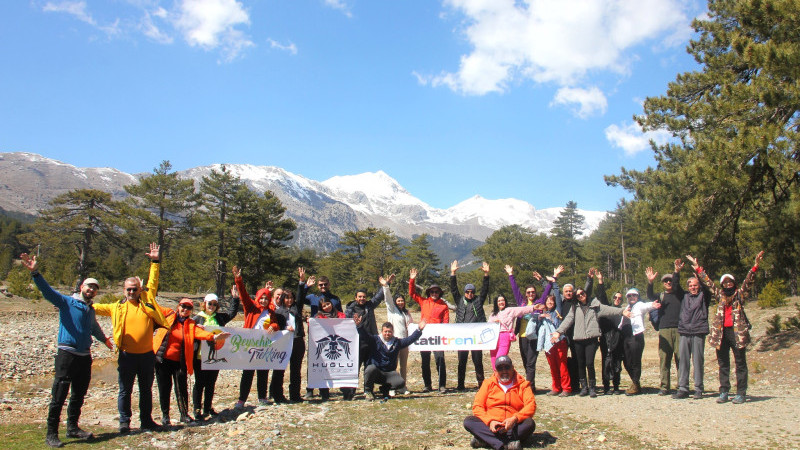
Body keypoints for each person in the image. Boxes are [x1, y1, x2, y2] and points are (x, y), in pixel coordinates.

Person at [20, 253, 112, 447]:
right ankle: (51, 434)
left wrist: (104, 339)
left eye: (95, 288)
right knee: (59, 394)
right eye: (89, 286)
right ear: (82, 287)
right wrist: (35, 272)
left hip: (85, 356)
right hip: (67, 354)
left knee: (78, 394)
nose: (92, 290)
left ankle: (72, 428)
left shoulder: (90, 309)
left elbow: (93, 327)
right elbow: (47, 292)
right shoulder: (66, 302)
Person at [93, 243, 168, 434]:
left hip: (146, 356)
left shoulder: (146, 301)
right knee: (125, 390)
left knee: (146, 390)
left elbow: (154, 280)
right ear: (124, 290)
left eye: (135, 289)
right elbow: (92, 307)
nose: (132, 292)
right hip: (126, 356)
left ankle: (146, 421)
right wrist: (74, 302)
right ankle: (124, 422)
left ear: (139, 288)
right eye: (129, 290)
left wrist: (155, 261)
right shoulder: (116, 307)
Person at [694, 251, 764, 404]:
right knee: (723, 363)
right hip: (721, 334)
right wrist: (698, 269)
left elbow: (748, 282)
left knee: (740, 363)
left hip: (737, 333)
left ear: (734, 283)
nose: (727, 284)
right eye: (724, 282)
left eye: (729, 282)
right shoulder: (719, 295)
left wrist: (755, 266)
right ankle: (724, 391)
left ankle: (741, 393)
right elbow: (708, 283)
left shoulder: (739, 295)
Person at [153, 299, 230, 426]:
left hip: (180, 362)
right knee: (164, 388)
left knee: (182, 389)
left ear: (191, 311)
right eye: (183, 306)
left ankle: (184, 414)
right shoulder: (168, 315)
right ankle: (165, 415)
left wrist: (214, 337)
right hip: (163, 360)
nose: (185, 309)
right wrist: (146, 290)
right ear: (178, 306)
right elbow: (154, 305)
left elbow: (200, 333)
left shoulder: (191, 324)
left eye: (189, 308)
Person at [551, 283, 629, 398]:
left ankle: (592, 388)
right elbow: (568, 320)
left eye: (582, 293)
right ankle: (584, 387)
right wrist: (559, 331)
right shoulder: (574, 307)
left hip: (591, 340)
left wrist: (622, 311)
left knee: (589, 363)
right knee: (581, 364)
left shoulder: (595, 306)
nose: (580, 296)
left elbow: (609, 309)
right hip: (578, 339)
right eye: (577, 295)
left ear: (586, 294)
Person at [463, 355, 536, 450]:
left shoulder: (523, 384)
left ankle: (485, 440)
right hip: (492, 426)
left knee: (529, 423)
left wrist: (515, 418)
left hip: (512, 426)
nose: (504, 371)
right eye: (500, 368)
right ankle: (506, 445)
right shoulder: (488, 383)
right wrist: (490, 421)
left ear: (512, 368)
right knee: (469, 421)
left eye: (507, 367)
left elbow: (531, 405)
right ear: (495, 371)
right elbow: (477, 406)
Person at [505, 264, 560, 390]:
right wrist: (510, 275)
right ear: (526, 294)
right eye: (528, 292)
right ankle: (531, 385)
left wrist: (554, 277)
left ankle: (529, 387)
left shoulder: (539, 303)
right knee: (525, 362)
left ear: (536, 293)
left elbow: (547, 289)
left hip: (534, 337)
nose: (531, 294)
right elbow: (515, 289)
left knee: (531, 362)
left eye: (533, 292)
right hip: (523, 336)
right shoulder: (522, 303)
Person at [233, 265, 279, 407]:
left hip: (264, 346)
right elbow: (243, 294)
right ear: (258, 298)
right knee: (247, 373)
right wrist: (238, 279)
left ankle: (262, 397)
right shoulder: (251, 308)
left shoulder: (270, 312)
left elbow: (276, 324)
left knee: (263, 373)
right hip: (249, 345)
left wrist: (274, 326)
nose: (264, 301)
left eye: (266, 298)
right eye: (262, 298)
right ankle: (242, 399)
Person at [192, 289, 239, 419]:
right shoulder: (197, 319)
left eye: (214, 304)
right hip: (200, 357)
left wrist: (235, 299)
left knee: (211, 383)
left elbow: (231, 313)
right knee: (199, 383)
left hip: (215, 356)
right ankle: (197, 409)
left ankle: (207, 407)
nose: (211, 306)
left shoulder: (219, 317)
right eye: (209, 304)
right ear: (204, 303)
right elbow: (188, 332)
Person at [357, 317, 426, 400]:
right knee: (370, 368)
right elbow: (365, 336)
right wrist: (359, 326)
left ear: (392, 332)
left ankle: (385, 389)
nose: (387, 333)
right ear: (382, 332)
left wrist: (419, 330)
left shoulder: (397, 342)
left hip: (389, 373)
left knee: (400, 382)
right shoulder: (375, 340)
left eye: (389, 332)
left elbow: (410, 340)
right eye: (385, 331)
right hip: (377, 373)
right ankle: (368, 391)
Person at [672, 260, 712, 400]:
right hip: (684, 332)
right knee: (683, 361)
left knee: (698, 361)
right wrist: (676, 272)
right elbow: (675, 286)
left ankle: (698, 389)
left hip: (698, 332)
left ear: (699, 285)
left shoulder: (704, 296)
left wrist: (699, 271)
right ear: (688, 287)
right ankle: (683, 388)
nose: (693, 287)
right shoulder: (684, 296)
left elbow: (708, 286)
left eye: (695, 285)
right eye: (691, 285)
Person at [342, 280, 386, 400]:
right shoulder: (350, 310)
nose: (362, 299)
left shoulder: (369, 306)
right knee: (354, 367)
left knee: (370, 367)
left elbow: (378, 297)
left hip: (370, 342)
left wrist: (385, 285)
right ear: (355, 297)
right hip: (356, 343)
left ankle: (368, 390)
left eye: (364, 297)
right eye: (360, 297)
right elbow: (343, 324)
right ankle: (351, 391)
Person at [646, 259, 685, 395]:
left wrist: (676, 272)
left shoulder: (680, 295)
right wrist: (650, 282)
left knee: (680, 357)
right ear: (662, 284)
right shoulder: (660, 296)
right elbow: (650, 295)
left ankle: (682, 386)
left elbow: (677, 283)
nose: (668, 283)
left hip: (679, 329)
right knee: (664, 359)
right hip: (664, 329)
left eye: (670, 281)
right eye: (665, 281)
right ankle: (664, 386)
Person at [408, 267, 450, 393]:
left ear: (440, 293)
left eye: (436, 292)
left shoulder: (444, 305)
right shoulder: (424, 301)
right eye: (432, 292)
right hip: (424, 335)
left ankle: (441, 385)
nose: (434, 294)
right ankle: (427, 385)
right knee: (425, 361)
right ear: (429, 293)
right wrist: (412, 280)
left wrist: (444, 335)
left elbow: (446, 322)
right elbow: (412, 294)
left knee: (440, 360)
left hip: (438, 336)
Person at [451, 260, 489, 391]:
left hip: (476, 336)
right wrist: (453, 273)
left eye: (472, 291)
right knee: (462, 361)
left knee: (478, 361)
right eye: (467, 292)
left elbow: (485, 290)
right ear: (465, 292)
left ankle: (481, 384)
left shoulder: (478, 300)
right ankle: (460, 385)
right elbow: (454, 289)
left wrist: (486, 275)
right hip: (463, 336)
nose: (469, 294)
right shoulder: (460, 301)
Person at [618, 287, 661, 395]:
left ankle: (635, 384)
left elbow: (646, 306)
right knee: (626, 362)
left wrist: (652, 305)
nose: (632, 297)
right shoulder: (627, 307)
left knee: (635, 362)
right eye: (629, 295)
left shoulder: (639, 305)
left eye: (634, 295)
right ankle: (635, 382)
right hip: (626, 337)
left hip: (636, 337)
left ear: (638, 296)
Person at [537, 287, 571, 397]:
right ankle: (556, 388)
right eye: (548, 301)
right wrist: (540, 317)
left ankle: (566, 388)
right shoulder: (543, 314)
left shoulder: (558, 311)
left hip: (560, 342)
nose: (550, 302)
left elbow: (556, 293)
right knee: (553, 366)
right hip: (549, 343)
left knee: (562, 366)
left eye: (552, 300)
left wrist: (554, 283)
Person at [384, 281, 414, 393]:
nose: (401, 302)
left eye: (402, 300)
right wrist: (386, 286)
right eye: (398, 300)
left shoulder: (406, 313)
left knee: (403, 367)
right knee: (392, 366)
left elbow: (411, 326)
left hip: (404, 342)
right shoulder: (392, 310)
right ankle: (392, 388)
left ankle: (402, 387)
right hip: (394, 342)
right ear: (395, 302)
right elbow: (388, 299)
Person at [598, 289, 625, 395]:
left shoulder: (623, 311)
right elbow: (602, 296)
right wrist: (600, 283)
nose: (617, 299)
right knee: (606, 363)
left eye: (619, 298)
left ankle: (616, 386)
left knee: (617, 362)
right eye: (615, 297)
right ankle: (606, 386)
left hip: (618, 339)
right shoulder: (606, 309)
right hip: (606, 339)